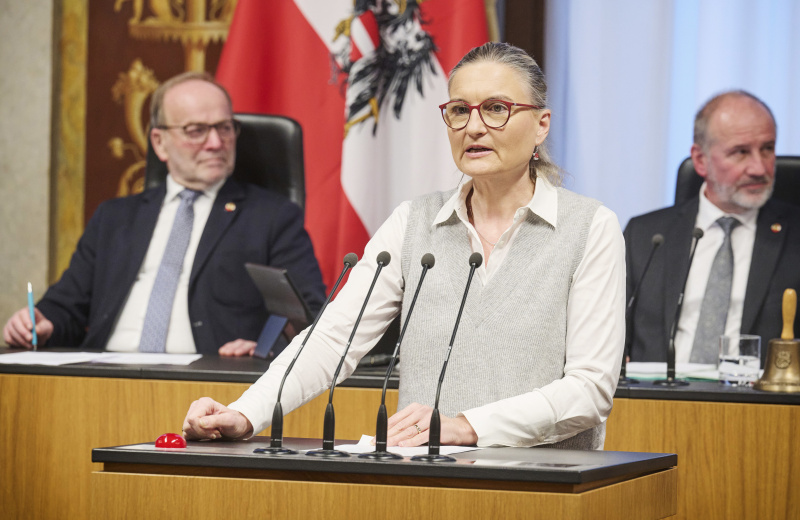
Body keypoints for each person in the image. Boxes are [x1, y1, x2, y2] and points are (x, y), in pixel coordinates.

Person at [182, 43, 625, 449]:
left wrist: (466, 427)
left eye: (496, 109)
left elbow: (589, 389)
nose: (474, 126)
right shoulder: (413, 222)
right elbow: (332, 340)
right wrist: (245, 413)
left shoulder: (590, 227)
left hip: (548, 488)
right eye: (458, 110)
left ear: (541, 125)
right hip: (424, 484)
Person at [3, 72, 326, 356]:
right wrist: (41, 322)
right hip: (103, 376)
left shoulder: (271, 217)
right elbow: (67, 309)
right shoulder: (115, 218)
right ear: (160, 142)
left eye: (225, 128)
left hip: (209, 384)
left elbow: (308, 316)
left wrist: (267, 348)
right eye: (196, 130)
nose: (216, 142)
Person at [625, 91, 800, 364]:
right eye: (740, 152)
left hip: (760, 403)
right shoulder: (645, 236)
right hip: (658, 400)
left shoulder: (795, 237)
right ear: (701, 160)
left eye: (767, 149)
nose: (759, 167)